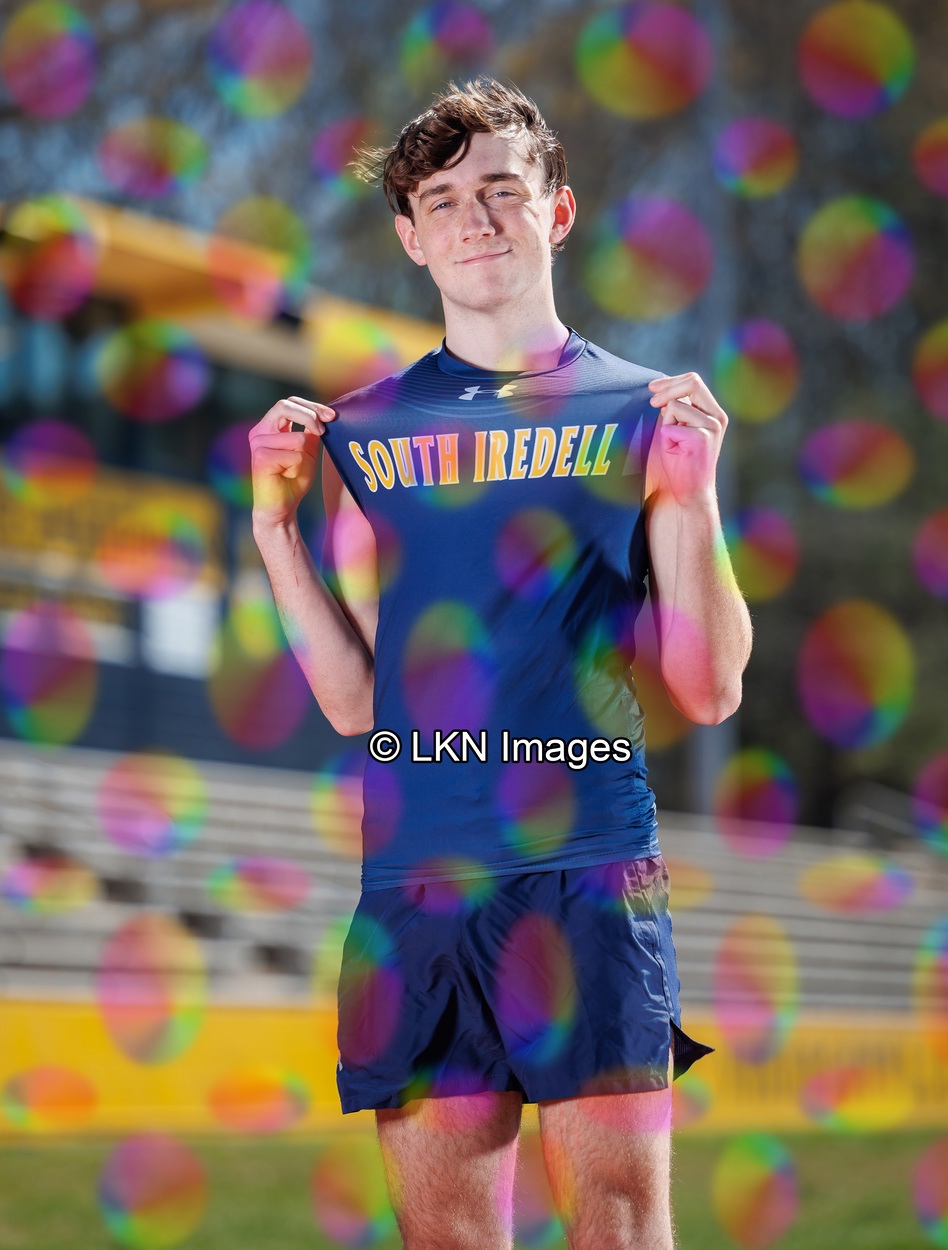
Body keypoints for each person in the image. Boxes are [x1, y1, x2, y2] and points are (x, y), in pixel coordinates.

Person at [250, 74, 752, 1250]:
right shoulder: (365, 434)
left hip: (590, 871)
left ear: (556, 211)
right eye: (441, 200)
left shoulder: (643, 411)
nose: (474, 219)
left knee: (618, 1227)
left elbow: (709, 686)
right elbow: (352, 700)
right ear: (410, 237)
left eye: (501, 190)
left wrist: (695, 500)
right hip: (418, 885)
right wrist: (275, 530)